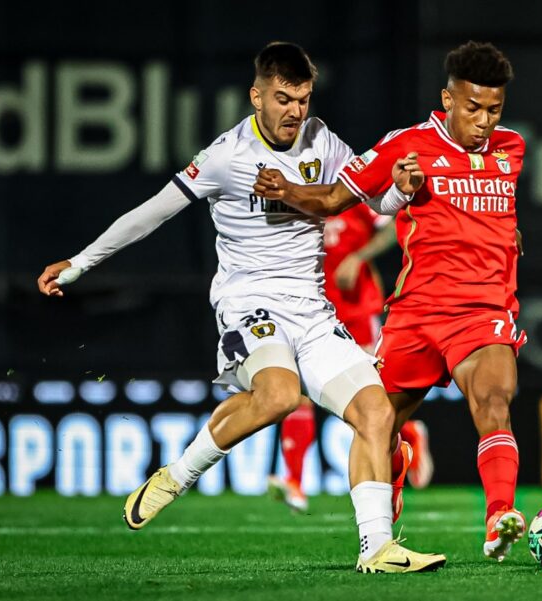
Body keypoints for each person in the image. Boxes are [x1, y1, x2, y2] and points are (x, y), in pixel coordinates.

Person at [35, 41, 444, 574]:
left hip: (312, 311)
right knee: (276, 395)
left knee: (377, 412)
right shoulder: (226, 155)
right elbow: (150, 213)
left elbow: (375, 203)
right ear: (256, 96)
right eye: (282, 99)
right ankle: (178, 475)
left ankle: (377, 548)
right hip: (249, 302)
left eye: (302, 99)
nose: (294, 111)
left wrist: (402, 192)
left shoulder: (322, 138)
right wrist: (80, 264)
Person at [254, 41, 527, 561]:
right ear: (447, 99)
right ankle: (390, 486)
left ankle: (498, 518)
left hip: (483, 313)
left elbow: (501, 218)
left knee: (493, 402)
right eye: (473, 108)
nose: (485, 121)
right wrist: (285, 189)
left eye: (494, 110)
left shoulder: (512, 148)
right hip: (417, 314)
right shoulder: (408, 146)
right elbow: (335, 198)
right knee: (378, 422)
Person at [269, 207, 434, 513]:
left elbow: (395, 226)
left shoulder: (353, 192)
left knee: (372, 397)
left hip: (357, 310)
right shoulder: (300, 195)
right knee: (300, 393)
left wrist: (359, 257)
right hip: (314, 314)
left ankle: (409, 433)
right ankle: (294, 482)